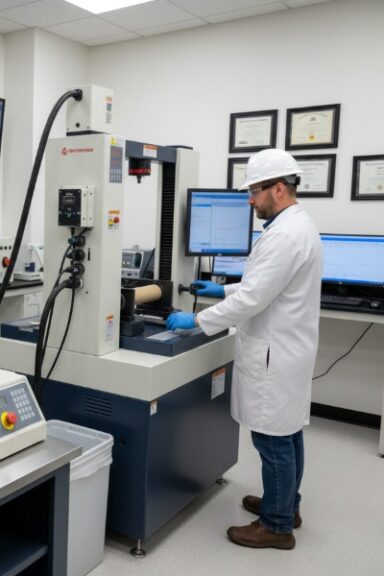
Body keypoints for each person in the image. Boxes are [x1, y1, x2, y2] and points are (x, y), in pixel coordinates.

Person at [166, 148, 323, 550]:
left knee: (273, 441)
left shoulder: (285, 234)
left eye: (254, 192)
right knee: (288, 436)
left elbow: (253, 300)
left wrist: (198, 320)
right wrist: (224, 288)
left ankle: (276, 525)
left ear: (278, 189)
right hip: (288, 348)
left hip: (276, 352)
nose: (250, 201)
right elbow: (263, 287)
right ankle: (286, 505)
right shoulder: (296, 225)